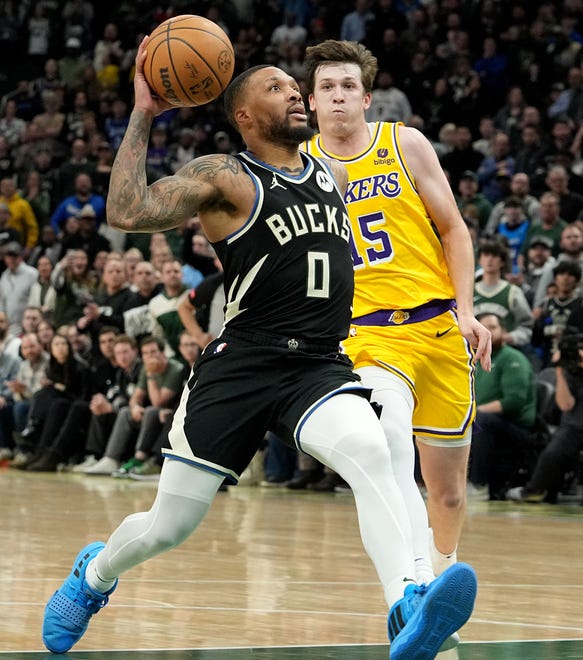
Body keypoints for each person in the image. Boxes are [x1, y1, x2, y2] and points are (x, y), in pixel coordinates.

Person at [42, 46, 477, 658]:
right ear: (243, 115)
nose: (296, 93)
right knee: (169, 527)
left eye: (296, 87)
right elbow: (127, 210)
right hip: (242, 366)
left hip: (317, 365)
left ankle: (406, 603)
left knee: (374, 453)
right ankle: (95, 574)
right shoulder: (226, 177)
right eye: (278, 89)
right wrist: (143, 114)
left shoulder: (337, 172)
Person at [302, 40, 491, 592]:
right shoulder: (302, 167)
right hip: (368, 336)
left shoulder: (404, 144)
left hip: (436, 328)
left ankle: (442, 566)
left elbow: (454, 229)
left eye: (348, 87)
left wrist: (468, 310)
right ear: (311, 103)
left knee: (449, 493)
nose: (338, 96)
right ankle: (412, 583)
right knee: (386, 439)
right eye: (327, 88)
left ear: (366, 99)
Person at [467, 313, 537, 501]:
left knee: (480, 420)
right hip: (486, 421)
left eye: (493, 327)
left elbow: (513, 402)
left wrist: (473, 413)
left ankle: (478, 485)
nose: (488, 332)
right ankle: (422, 483)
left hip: (515, 428)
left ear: (504, 331)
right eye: (483, 327)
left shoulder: (513, 358)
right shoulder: (474, 359)